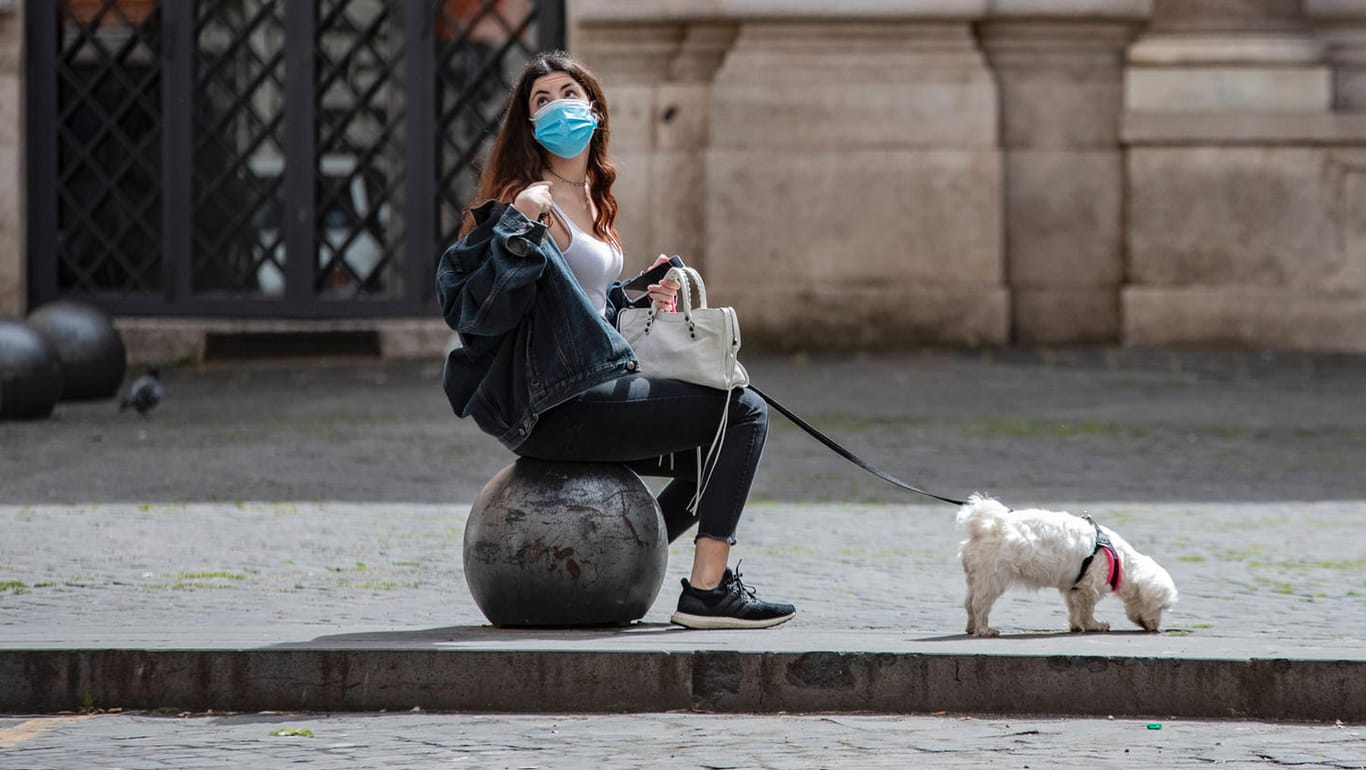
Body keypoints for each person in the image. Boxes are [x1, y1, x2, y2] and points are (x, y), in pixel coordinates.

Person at [437, 51, 794, 630]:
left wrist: (638, 295)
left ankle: (613, 552)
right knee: (743, 409)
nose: (557, 107)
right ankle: (708, 590)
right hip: (556, 405)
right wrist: (517, 225)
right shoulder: (524, 200)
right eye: (541, 100)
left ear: (595, 112)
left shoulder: (595, 201)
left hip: (591, 387)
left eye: (567, 94)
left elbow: (578, 309)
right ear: (528, 125)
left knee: (716, 448)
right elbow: (485, 312)